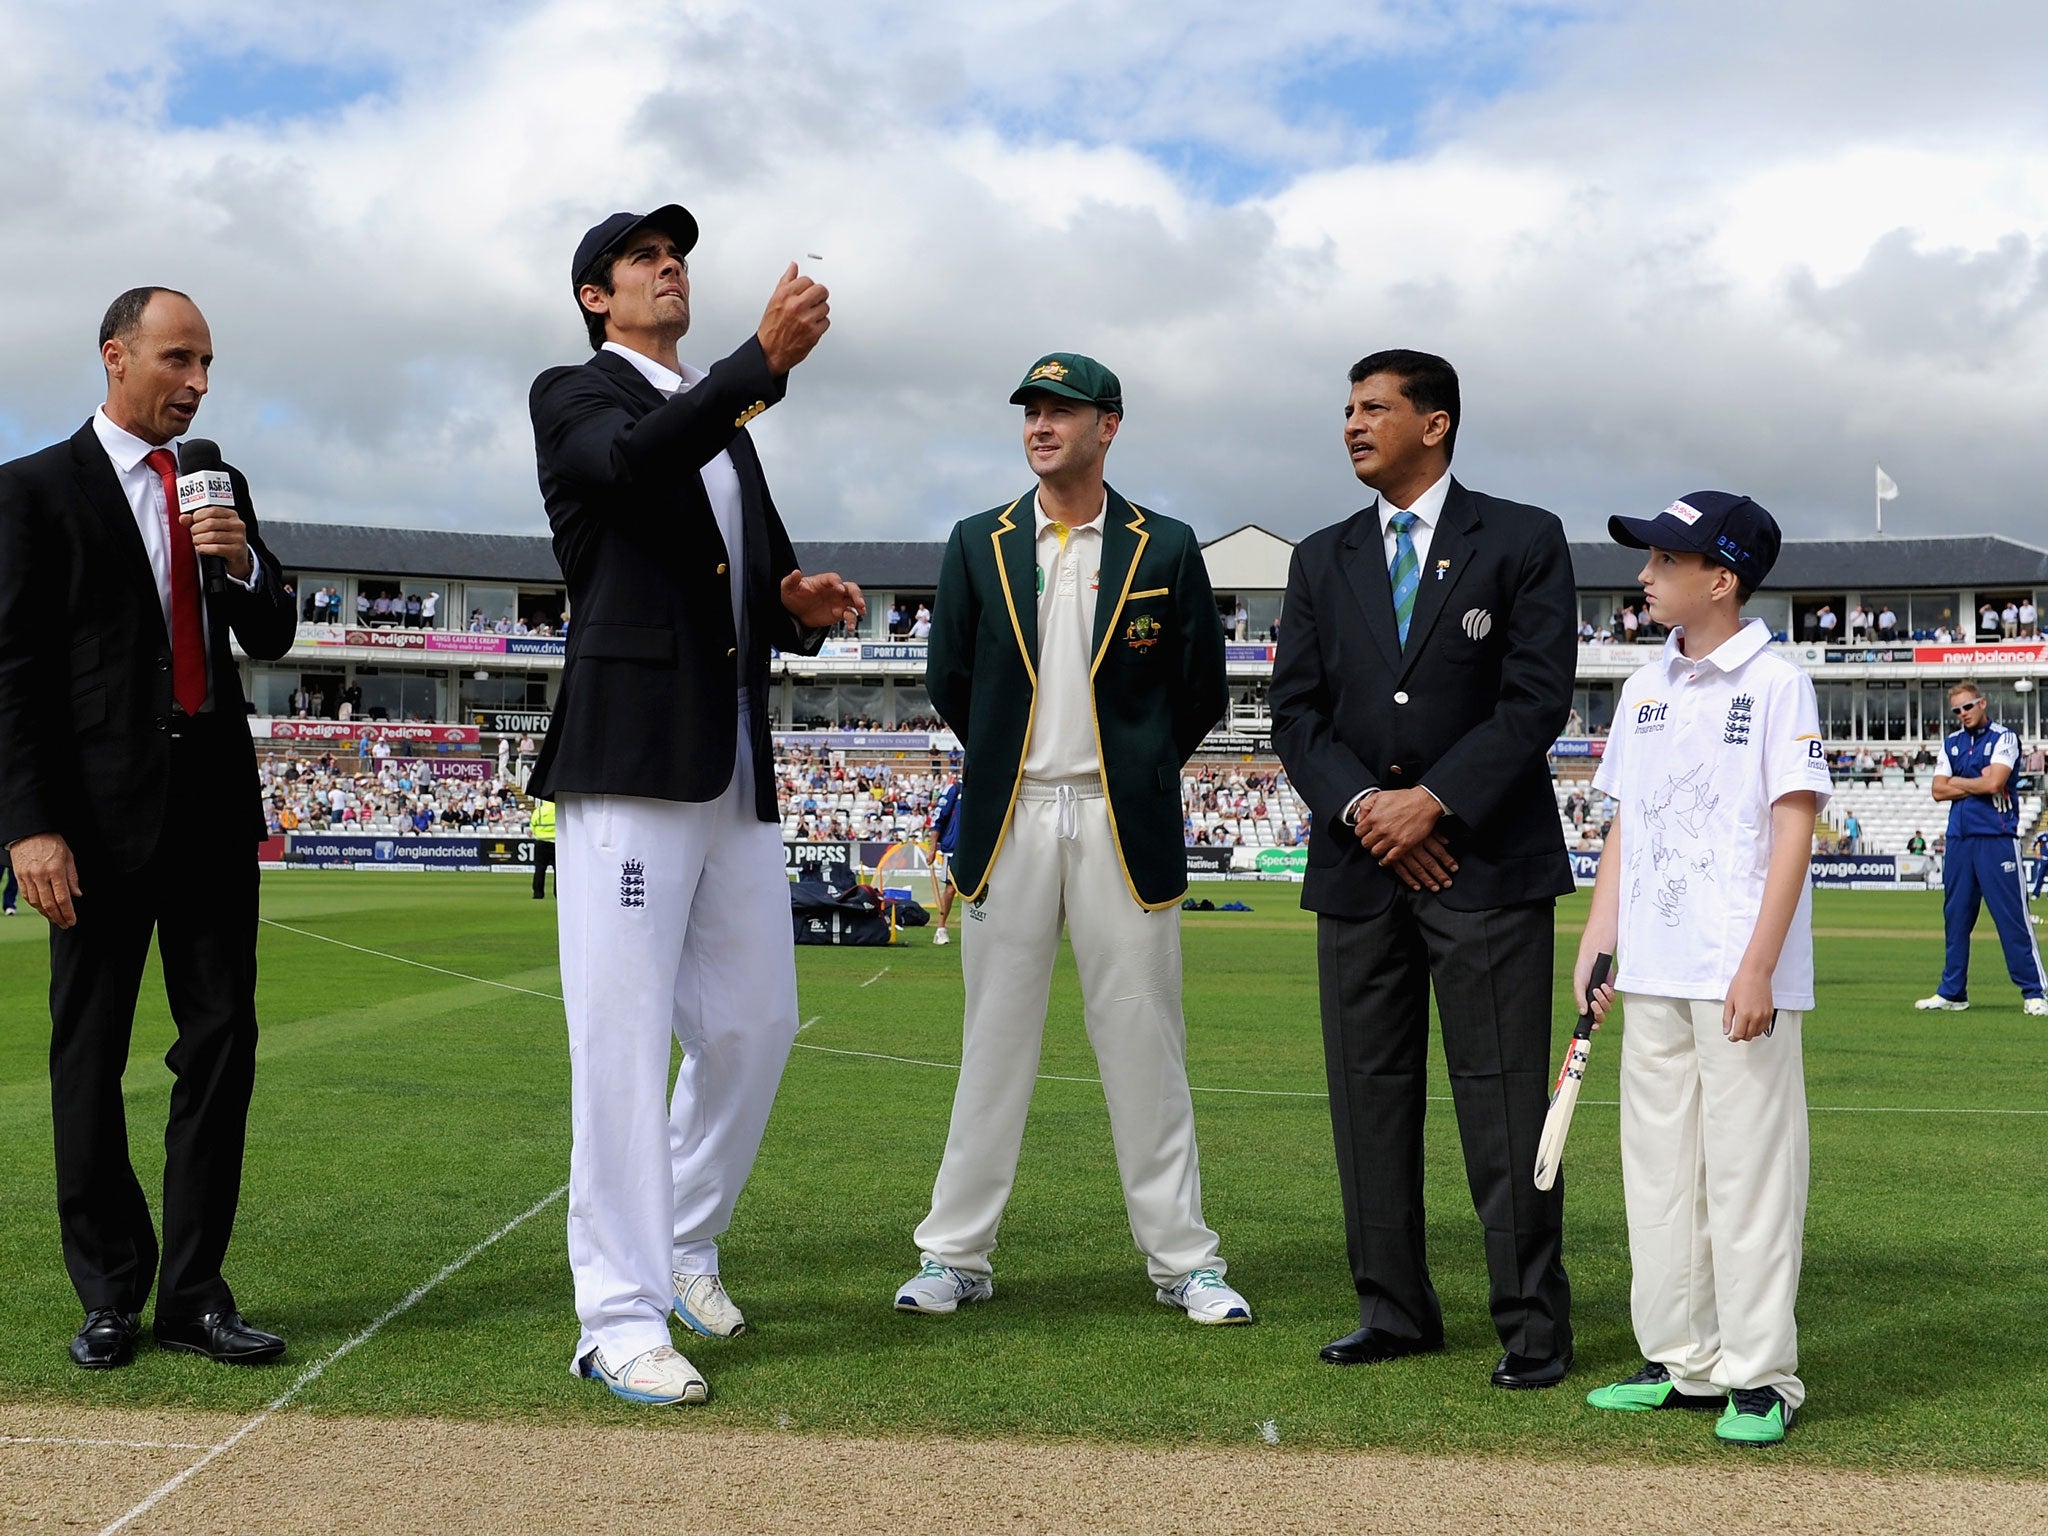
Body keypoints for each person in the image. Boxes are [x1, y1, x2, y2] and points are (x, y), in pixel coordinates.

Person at [528, 204, 860, 1407]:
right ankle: (612, 1315)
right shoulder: (575, 395)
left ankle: (678, 1241)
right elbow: (628, 466)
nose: (671, 268)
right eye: (643, 259)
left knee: (753, 1024)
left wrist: (795, 601)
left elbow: (748, 577)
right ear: (595, 298)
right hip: (629, 760)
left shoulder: (726, 428)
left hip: (730, 754)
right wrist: (756, 367)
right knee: (619, 1042)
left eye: (679, 258)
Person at [895, 352, 1248, 1327]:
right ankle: (955, 1255)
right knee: (990, 1046)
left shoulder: (1164, 546)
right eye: (1031, 413)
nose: (1040, 426)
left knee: (1144, 1043)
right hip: (1010, 821)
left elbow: (1198, 690)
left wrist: (1129, 770)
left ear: (1109, 425)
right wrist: (1018, 764)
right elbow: (948, 680)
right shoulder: (978, 541)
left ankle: (1184, 1263)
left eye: (1061, 411)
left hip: (1117, 822)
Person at [0, 287, 297, 1370]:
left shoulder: (217, 482)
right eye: (179, 360)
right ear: (116, 357)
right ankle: (109, 1292)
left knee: (222, 1048)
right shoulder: (31, 492)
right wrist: (28, 827)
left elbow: (269, 627)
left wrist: (240, 561)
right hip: (91, 824)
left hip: (214, 811)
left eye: (208, 362)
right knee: (89, 1055)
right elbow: (12, 674)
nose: (199, 383)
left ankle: (195, 1291)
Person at [1271, 348, 1577, 1388]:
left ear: (1433, 424)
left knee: (1501, 1103)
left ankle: (1531, 1328)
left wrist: (1431, 801)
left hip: (1482, 865)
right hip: (1359, 868)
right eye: (1345, 409)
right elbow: (1294, 716)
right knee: (1368, 1098)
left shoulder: (1524, 539)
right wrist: (1366, 808)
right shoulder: (1317, 558)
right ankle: (1392, 1310)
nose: (1351, 424)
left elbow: (1534, 700)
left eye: (1372, 408)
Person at [1575, 491, 1829, 1445]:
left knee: (1749, 1175)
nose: (1644, 576)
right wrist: (1600, 940)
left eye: (1663, 561)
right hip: (1650, 970)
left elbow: (1792, 826)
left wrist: (1759, 966)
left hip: (1736, 975)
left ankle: (1760, 1376)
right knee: (1659, 1172)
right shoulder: (1644, 687)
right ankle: (1680, 1358)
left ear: (1720, 579)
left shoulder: (1776, 681)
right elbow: (1627, 826)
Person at [1914, 682, 2047, 1015]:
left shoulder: (2004, 737)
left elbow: (1994, 783)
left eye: (1968, 707)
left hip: (1996, 838)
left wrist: (1958, 781)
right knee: (1956, 918)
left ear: (1982, 703)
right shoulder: (1951, 743)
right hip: (1958, 840)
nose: (1963, 714)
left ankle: (2035, 992)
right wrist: (1972, 782)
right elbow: (1937, 791)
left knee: (2012, 918)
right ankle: (1953, 992)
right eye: (1957, 710)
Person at [928, 770, 961, 945]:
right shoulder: (954, 789)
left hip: (976, 848)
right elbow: (938, 818)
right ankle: (940, 928)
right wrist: (932, 848)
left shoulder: (984, 787)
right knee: (950, 889)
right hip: (954, 848)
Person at [529, 796, 556, 899]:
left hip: (541, 842)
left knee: (540, 869)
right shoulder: (558, 809)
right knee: (558, 870)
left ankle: (538, 893)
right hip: (555, 842)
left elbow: (532, 826)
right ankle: (558, 893)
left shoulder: (539, 811)